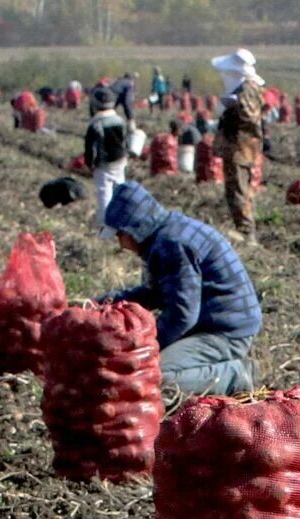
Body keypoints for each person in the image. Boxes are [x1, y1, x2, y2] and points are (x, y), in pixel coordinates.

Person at [101, 182, 262, 397]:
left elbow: (183, 315)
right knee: (150, 369)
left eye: (120, 235)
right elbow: (157, 293)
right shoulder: (166, 233)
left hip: (226, 331)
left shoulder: (171, 244)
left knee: (154, 377)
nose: (121, 244)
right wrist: (107, 302)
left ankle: (238, 375)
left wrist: (146, 348)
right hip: (213, 322)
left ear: (133, 229)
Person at [213, 49, 266, 239]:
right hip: (239, 147)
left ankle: (245, 231)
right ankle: (243, 227)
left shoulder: (247, 89)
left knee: (239, 189)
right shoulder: (246, 88)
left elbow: (250, 117)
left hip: (242, 148)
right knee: (236, 188)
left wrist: (234, 106)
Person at [83, 85, 130, 237]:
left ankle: (106, 227)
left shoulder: (95, 124)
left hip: (103, 164)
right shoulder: (120, 121)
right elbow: (126, 140)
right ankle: (123, 222)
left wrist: (89, 163)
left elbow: (90, 147)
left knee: (104, 193)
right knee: (120, 190)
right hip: (120, 160)